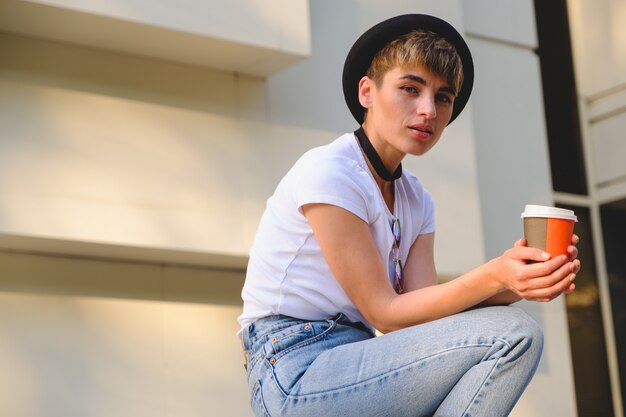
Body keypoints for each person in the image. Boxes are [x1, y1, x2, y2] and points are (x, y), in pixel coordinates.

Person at [238, 14, 580, 417]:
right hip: (292, 368)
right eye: (409, 89)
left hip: (359, 358)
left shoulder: (416, 199)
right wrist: (494, 274)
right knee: (515, 334)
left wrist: (519, 280)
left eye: (442, 97)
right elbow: (384, 312)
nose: (428, 110)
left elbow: (421, 315)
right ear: (367, 91)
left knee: (515, 330)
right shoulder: (330, 171)